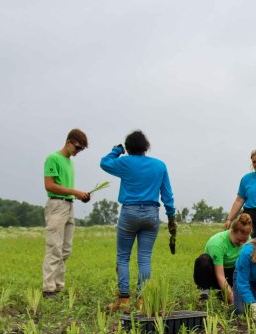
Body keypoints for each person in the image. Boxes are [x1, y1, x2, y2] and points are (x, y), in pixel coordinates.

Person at [99, 130, 176, 311]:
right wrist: (171, 217)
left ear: (129, 147)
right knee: (145, 258)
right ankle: (142, 301)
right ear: (145, 146)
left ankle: (124, 300)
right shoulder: (159, 165)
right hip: (151, 213)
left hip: (129, 213)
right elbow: (167, 194)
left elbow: (104, 163)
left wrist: (116, 150)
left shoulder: (125, 162)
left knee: (123, 257)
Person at [42, 129, 91, 298]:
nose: (78, 152)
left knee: (65, 249)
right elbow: (49, 185)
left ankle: (58, 286)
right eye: (78, 148)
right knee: (54, 247)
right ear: (69, 142)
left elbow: (68, 189)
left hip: (69, 205)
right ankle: (48, 288)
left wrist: (80, 196)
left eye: (82, 150)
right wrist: (74, 191)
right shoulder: (53, 159)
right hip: (56, 205)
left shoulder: (70, 162)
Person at [193, 213, 253, 303]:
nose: (241, 243)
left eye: (244, 241)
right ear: (232, 231)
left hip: (232, 272)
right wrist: (233, 301)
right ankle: (204, 294)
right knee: (203, 260)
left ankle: (223, 293)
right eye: (239, 240)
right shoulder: (217, 243)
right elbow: (220, 276)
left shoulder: (248, 240)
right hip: (214, 273)